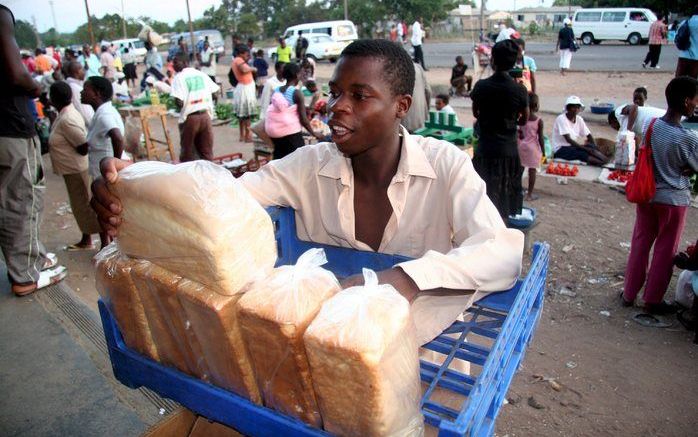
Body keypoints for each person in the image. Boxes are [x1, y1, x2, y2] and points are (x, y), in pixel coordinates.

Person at [92, 40, 525, 354]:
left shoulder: (444, 165)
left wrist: (407, 279)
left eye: (359, 95)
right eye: (335, 92)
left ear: (400, 106)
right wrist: (135, 182)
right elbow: (218, 197)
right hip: (330, 351)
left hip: (430, 351)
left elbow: (501, 252)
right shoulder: (308, 163)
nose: (336, 105)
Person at [0, 5, 67, 296]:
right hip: (9, 126)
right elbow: (17, 75)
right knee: (21, 199)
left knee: (17, 197)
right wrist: (35, 86)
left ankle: (32, 258)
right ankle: (25, 274)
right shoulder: (1, 15)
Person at [622, 76, 698, 317]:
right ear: (687, 102)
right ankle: (652, 299)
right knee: (665, 250)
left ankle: (629, 293)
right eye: (696, 100)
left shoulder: (652, 125)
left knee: (640, 244)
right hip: (673, 200)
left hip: (647, 195)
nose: (696, 105)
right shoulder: (688, 138)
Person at [470, 40, 528, 220]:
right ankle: (502, 238)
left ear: (493, 60)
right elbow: (524, 119)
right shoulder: (519, 90)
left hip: (485, 150)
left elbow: (476, 113)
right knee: (504, 201)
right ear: (513, 63)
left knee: (482, 199)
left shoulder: (481, 86)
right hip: (508, 152)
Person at [47, 81, 105, 250]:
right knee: (80, 206)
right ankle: (86, 238)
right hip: (71, 169)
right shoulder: (65, 114)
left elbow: (82, 145)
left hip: (76, 168)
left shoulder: (67, 119)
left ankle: (103, 243)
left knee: (86, 206)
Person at [264, 62, 323, 159]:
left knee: (280, 160)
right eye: (300, 73)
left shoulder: (277, 90)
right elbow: (303, 119)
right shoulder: (296, 93)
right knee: (298, 161)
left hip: (275, 134)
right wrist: (314, 133)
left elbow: (277, 109)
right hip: (291, 134)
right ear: (297, 75)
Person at [168, 55, 219, 162]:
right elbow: (215, 94)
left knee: (188, 153)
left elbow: (179, 102)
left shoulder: (179, 78)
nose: (174, 65)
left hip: (190, 118)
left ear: (185, 62)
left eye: (176, 62)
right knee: (206, 152)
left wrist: (184, 104)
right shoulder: (201, 74)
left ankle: (191, 177)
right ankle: (209, 175)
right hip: (205, 117)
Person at [80, 76, 125, 180]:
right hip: (101, 172)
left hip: (106, 174)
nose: (81, 92)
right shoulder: (102, 112)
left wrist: (114, 164)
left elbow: (117, 138)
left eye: (85, 89)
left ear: (97, 94)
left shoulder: (104, 115)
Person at [552, 96, 608, 166]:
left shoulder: (579, 119)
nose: (576, 109)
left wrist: (594, 147)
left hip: (572, 147)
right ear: (568, 108)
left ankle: (603, 160)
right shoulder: (561, 119)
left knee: (591, 148)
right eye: (573, 107)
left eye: (578, 107)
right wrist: (586, 149)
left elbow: (589, 135)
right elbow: (568, 140)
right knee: (583, 153)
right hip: (561, 149)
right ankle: (597, 161)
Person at [517, 94, 544, 201]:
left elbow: (519, 132)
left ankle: (518, 191)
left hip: (521, 147)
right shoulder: (539, 121)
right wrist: (544, 151)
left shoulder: (521, 118)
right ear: (536, 105)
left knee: (520, 170)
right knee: (532, 171)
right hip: (533, 148)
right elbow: (540, 138)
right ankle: (530, 194)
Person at [231, 45, 258, 142]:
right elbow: (244, 69)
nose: (247, 57)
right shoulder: (238, 60)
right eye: (246, 55)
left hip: (244, 87)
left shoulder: (236, 60)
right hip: (245, 89)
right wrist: (253, 69)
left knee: (242, 116)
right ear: (241, 53)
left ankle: (242, 135)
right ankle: (248, 135)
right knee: (246, 115)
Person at [401, 61, 430, 133]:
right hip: (420, 119)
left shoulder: (393, 68)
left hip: (403, 122)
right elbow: (428, 91)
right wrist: (426, 111)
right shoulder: (418, 67)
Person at [64, 61, 94, 125]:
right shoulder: (75, 89)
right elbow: (85, 114)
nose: (84, 72)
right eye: (82, 69)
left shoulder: (75, 86)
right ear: (78, 71)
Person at [676, 8, 698, 79]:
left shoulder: (685, 22)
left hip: (683, 56)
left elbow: (676, 38)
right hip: (696, 58)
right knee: (692, 81)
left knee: (679, 80)